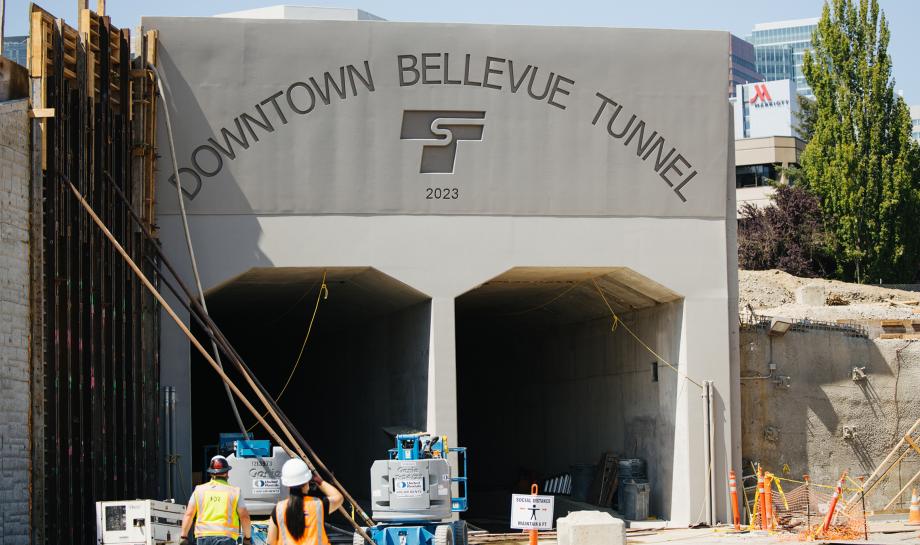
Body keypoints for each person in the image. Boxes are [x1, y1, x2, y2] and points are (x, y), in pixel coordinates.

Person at [268, 458, 344, 545]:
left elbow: (271, 542)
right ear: (307, 483)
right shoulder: (318, 505)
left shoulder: (278, 509)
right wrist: (318, 480)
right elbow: (339, 497)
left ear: (287, 485)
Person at [180, 455, 252, 545]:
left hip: (203, 538)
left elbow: (189, 514)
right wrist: (247, 538)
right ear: (227, 473)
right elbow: (244, 517)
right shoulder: (235, 492)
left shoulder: (199, 490)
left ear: (211, 473)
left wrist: (184, 536)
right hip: (226, 538)